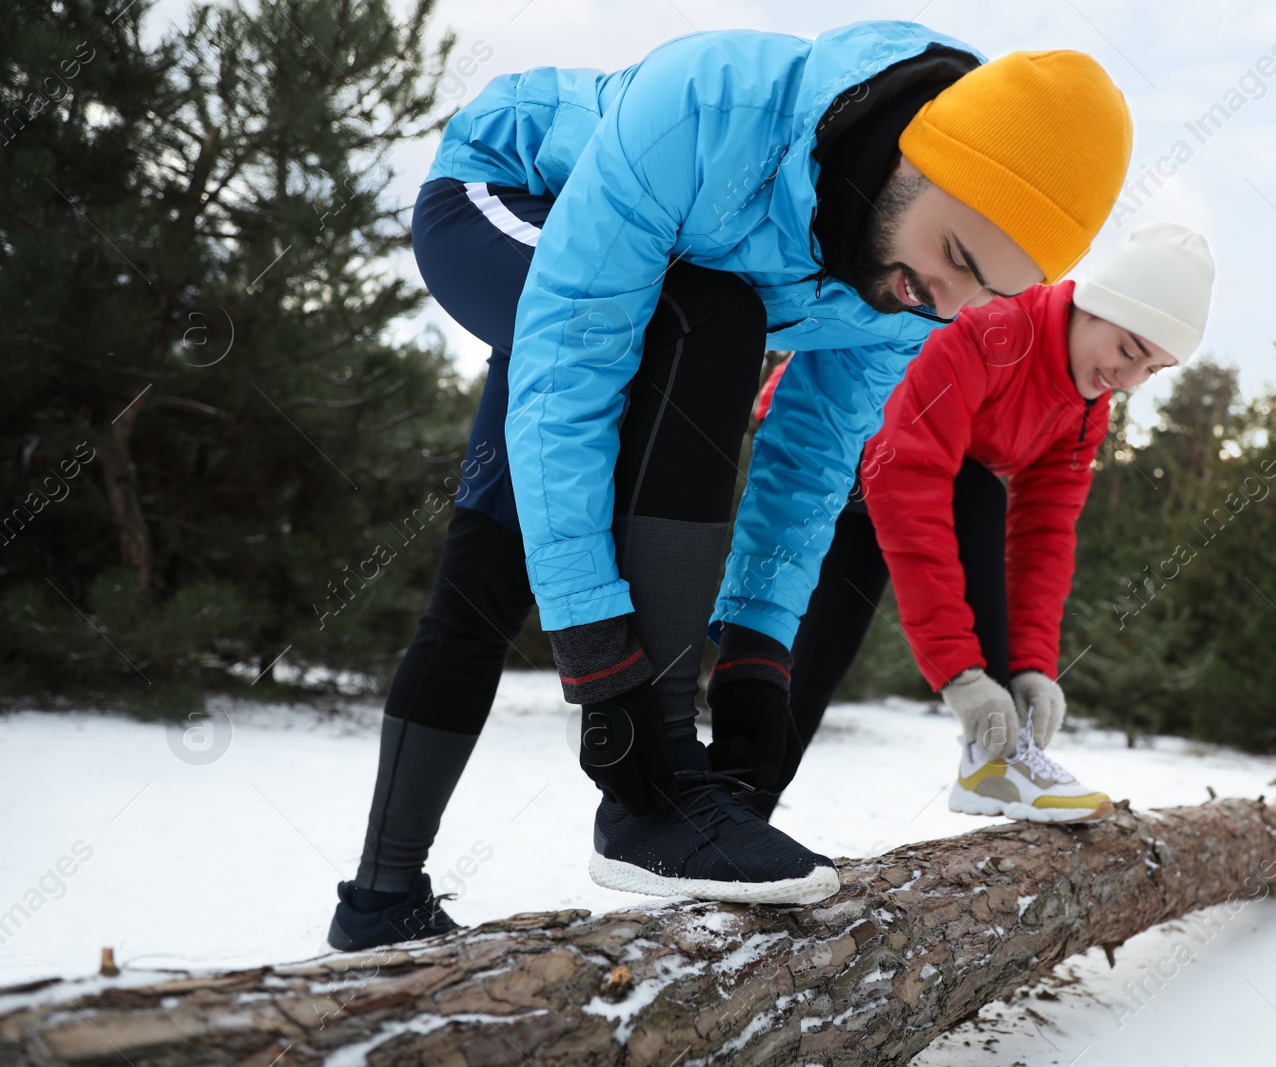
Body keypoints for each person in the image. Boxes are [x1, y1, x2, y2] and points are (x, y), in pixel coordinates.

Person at [324, 20, 1135, 950]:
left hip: (653, 287)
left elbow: (812, 453)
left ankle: (381, 900)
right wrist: (600, 657)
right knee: (711, 316)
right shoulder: (709, 110)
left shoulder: (916, 294)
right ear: (910, 156)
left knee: (491, 562)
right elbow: (573, 375)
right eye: (953, 254)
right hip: (507, 193)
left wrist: (758, 652)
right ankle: (651, 790)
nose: (944, 305)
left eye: (985, 293)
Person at [748, 222, 1215, 823]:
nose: (1127, 380)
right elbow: (912, 478)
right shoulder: (991, 324)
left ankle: (739, 807)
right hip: (820, 432)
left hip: (894, 464)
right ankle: (995, 760)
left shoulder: (1082, 410)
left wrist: (1031, 666)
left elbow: (1045, 538)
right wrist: (963, 675)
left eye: (1153, 369)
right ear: (1091, 306)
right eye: (1128, 350)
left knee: (821, 648)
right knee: (972, 495)